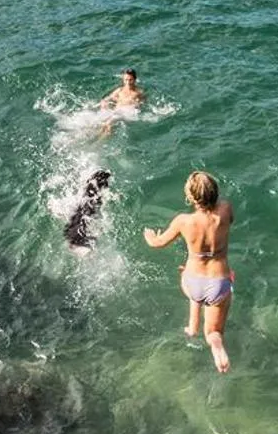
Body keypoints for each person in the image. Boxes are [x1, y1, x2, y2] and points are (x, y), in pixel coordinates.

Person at [143, 170, 234, 373]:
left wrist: (150, 236)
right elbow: (229, 221)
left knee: (189, 275)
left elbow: (158, 243)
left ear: (190, 197)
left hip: (191, 282)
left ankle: (192, 327)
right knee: (213, 331)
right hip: (219, 283)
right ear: (215, 192)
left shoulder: (183, 221)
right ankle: (217, 346)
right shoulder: (226, 210)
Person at [97, 69, 145, 138]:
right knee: (102, 124)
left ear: (135, 80)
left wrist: (137, 104)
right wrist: (104, 103)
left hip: (127, 113)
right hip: (117, 111)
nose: (128, 82)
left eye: (130, 80)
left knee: (109, 123)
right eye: (126, 80)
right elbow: (108, 98)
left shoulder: (138, 92)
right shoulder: (120, 90)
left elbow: (142, 103)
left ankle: (100, 143)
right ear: (123, 80)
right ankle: (96, 138)